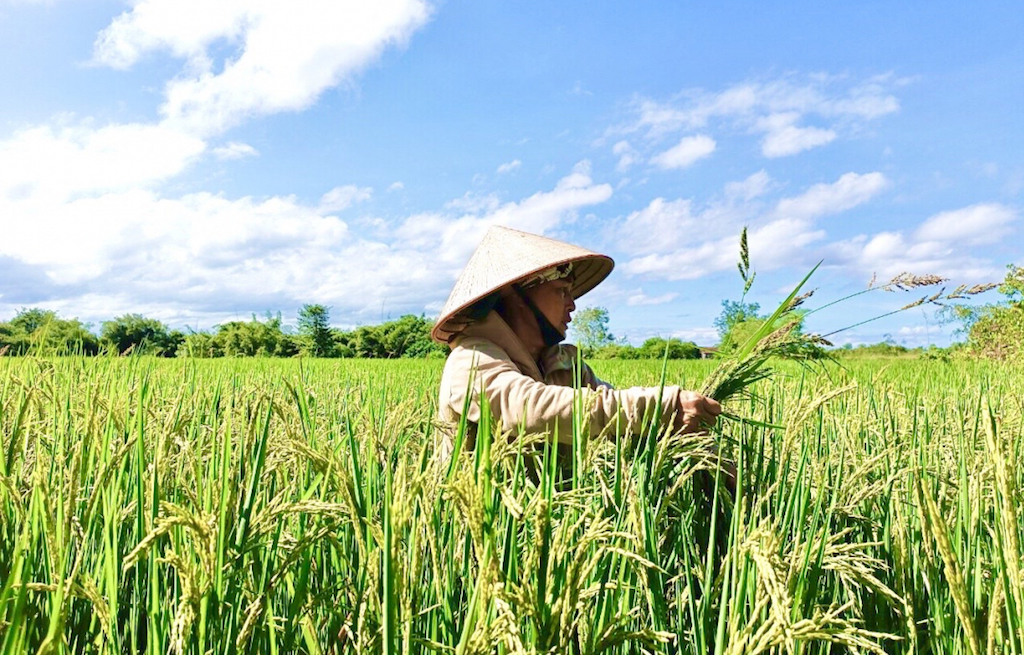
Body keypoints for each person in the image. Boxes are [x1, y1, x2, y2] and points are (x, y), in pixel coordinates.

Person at [431, 225, 721, 459]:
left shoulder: (565, 365)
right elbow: (527, 409)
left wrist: (676, 426)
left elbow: (611, 408)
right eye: (561, 291)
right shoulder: (471, 360)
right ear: (514, 295)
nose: (572, 305)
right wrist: (659, 406)